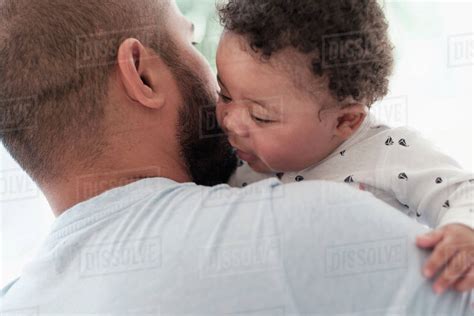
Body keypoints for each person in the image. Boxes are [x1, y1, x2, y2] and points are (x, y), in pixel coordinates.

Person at [0, 0, 472, 314]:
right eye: (188, 41)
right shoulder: (308, 225)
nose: (230, 120)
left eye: (262, 115)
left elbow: (454, 191)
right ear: (142, 77)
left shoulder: (17, 300)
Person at [215, 0, 474, 295]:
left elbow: (464, 191)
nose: (230, 121)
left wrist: (464, 233)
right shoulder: (242, 168)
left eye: (260, 116)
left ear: (345, 121)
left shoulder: (389, 153)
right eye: (223, 93)